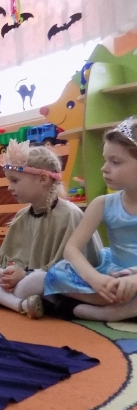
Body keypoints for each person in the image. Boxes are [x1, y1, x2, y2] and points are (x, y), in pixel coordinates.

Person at [0, 142, 100, 319]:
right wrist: (11, 272)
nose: (9, 187)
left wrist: (25, 274)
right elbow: (8, 262)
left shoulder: (70, 214)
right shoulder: (22, 215)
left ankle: (4, 298)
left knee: (35, 281)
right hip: (22, 281)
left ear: (43, 179)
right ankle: (20, 304)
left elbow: (67, 271)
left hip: (50, 283)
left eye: (15, 180)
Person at [45, 118, 137, 321]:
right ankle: (124, 308)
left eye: (115, 162)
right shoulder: (102, 203)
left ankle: (108, 312)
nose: (104, 168)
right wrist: (95, 279)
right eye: (105, 160)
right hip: (114, 277)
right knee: (58, 272)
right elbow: (71, 249)